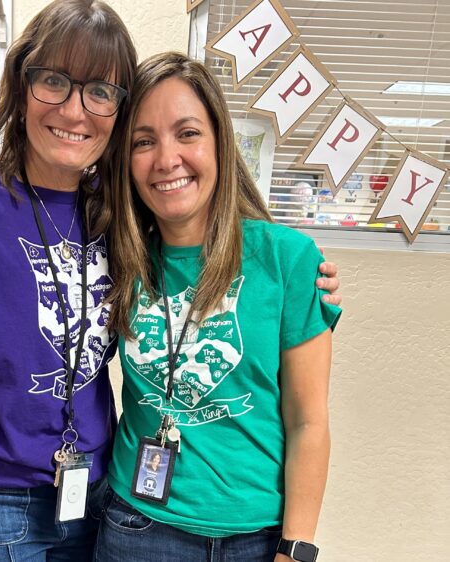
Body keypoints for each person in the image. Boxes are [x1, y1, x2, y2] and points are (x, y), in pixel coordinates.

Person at [0, 2, 341, 561]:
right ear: (21, 84)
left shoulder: (115, 219)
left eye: (99, 91)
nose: (75, 110)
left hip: (90, 502)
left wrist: (303, 279)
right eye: (53, 81)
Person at [95, 52, 342, 562]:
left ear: (220, 144)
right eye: (144, 141)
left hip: (257, 538)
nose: (166, 160)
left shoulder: (288, 260)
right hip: (137, 528)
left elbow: (308, 421)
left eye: (187, 133)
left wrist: (296, 549)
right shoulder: (117, 255)